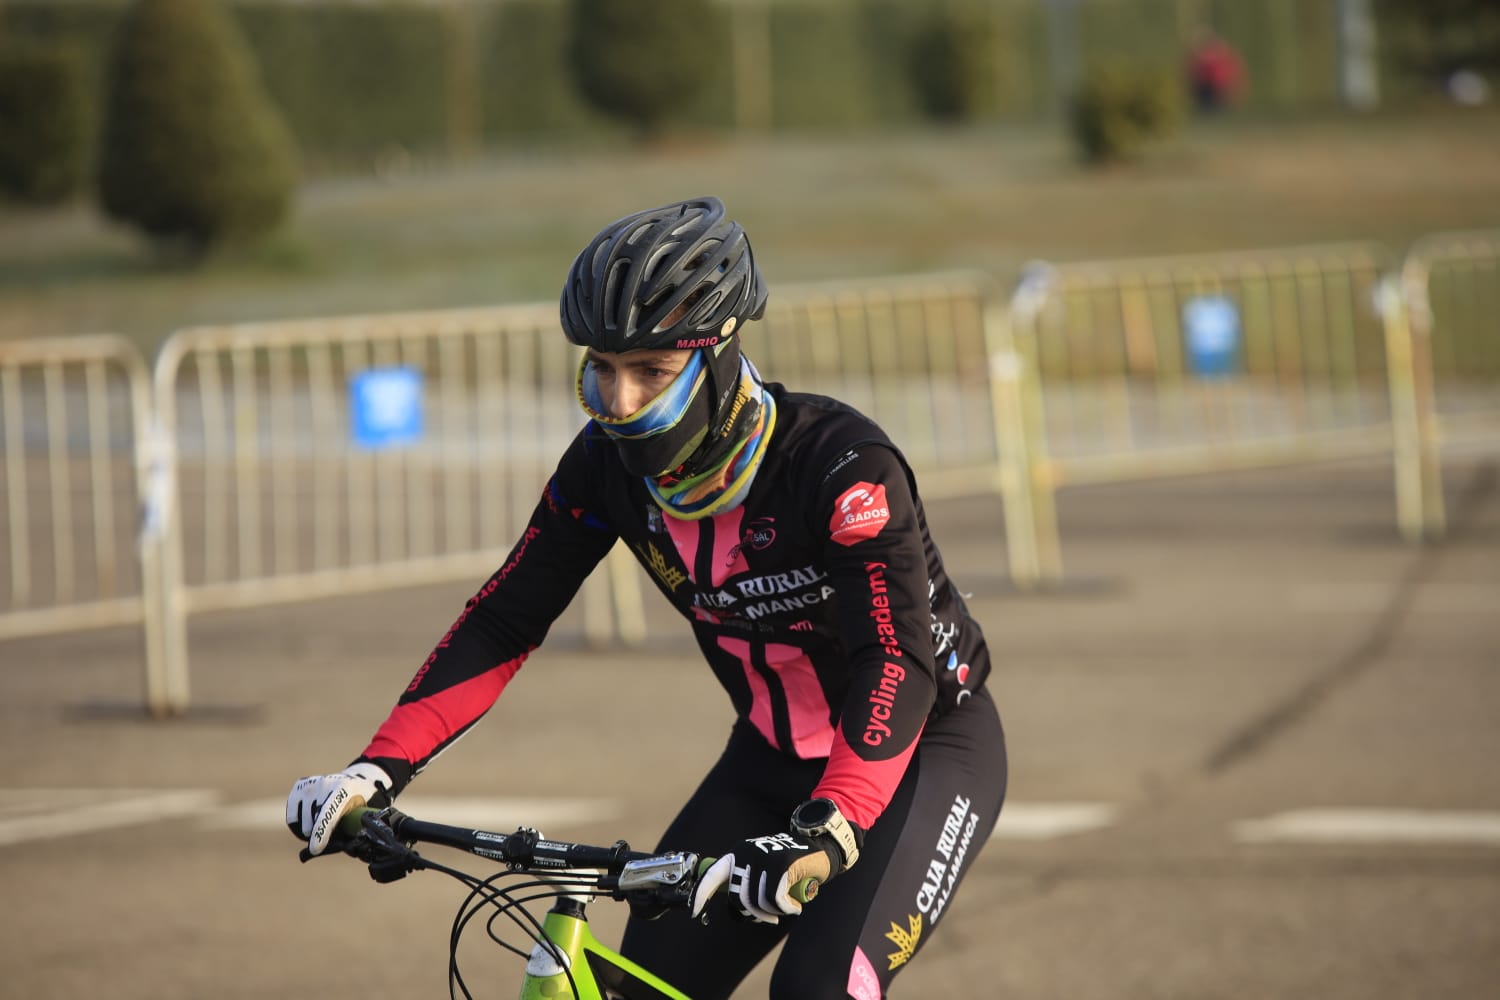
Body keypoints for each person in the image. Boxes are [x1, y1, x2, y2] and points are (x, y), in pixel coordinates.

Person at [286, 196, 1008, 1000]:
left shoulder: (841, 467)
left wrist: (832, 827)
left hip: (919, 752)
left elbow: (895, 660)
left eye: (652, 372)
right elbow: (504, 618)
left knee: (818, 989)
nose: (620, 400)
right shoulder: (602, 467)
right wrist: (376, 769)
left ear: (721, 356)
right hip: (769, 761)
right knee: (643, 985)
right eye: (602, 367)